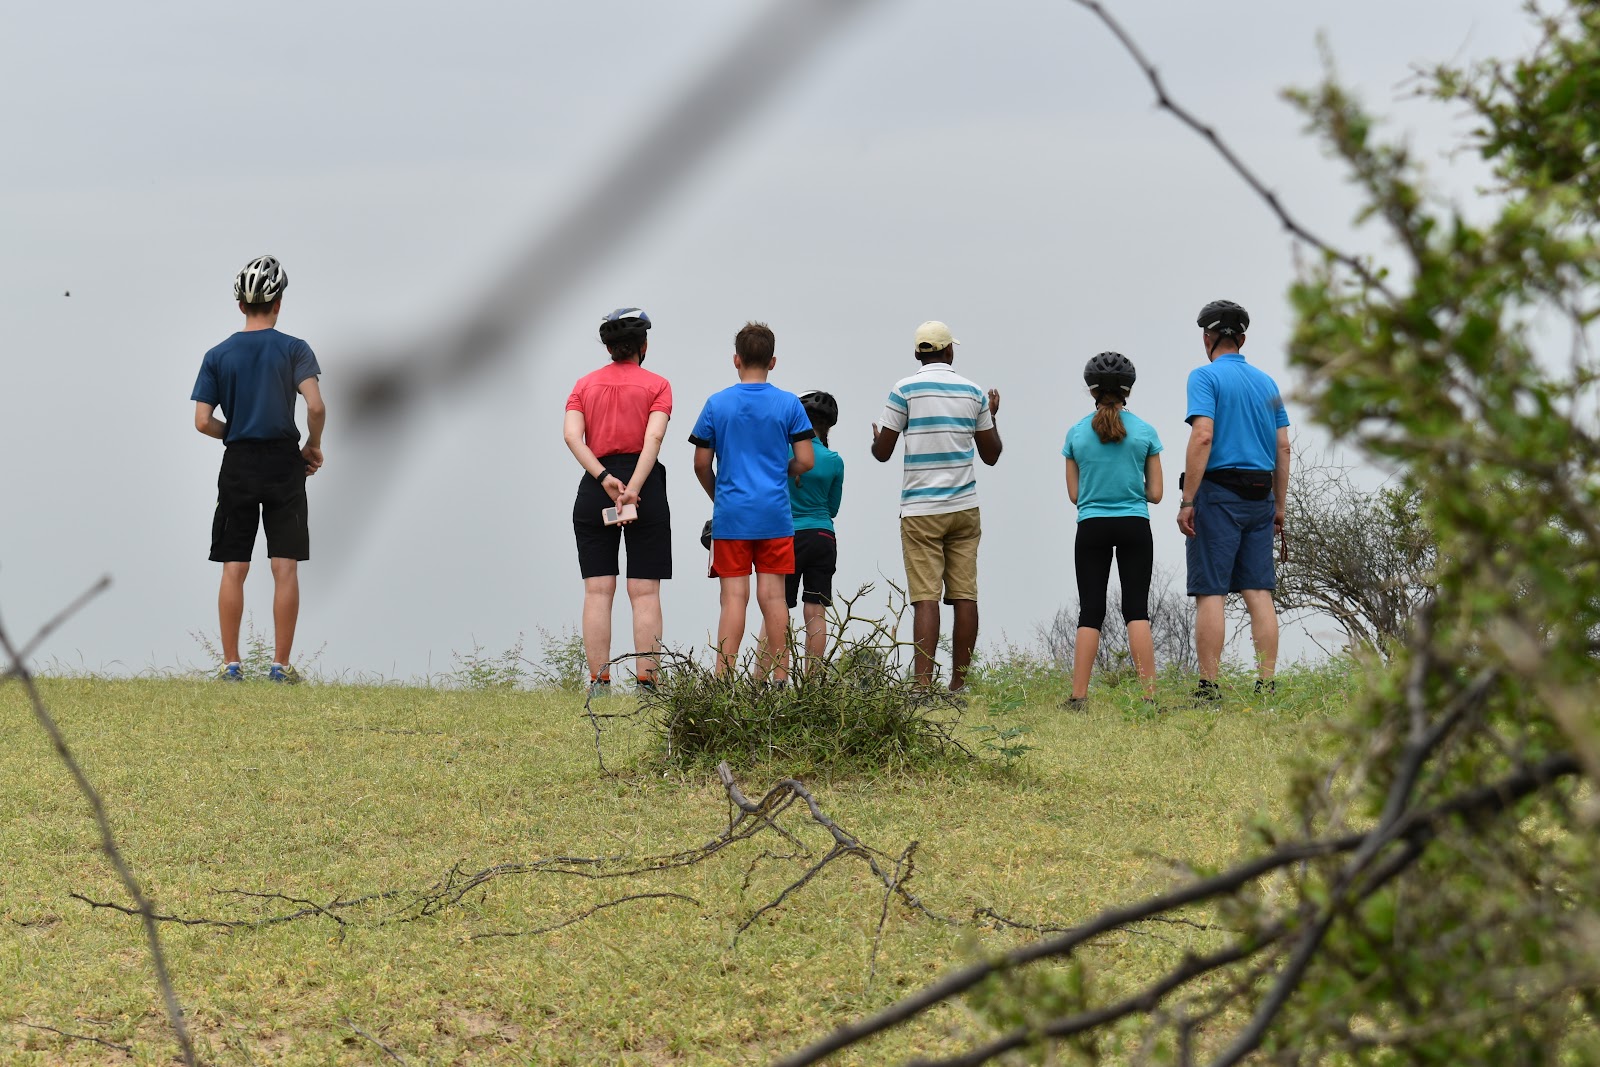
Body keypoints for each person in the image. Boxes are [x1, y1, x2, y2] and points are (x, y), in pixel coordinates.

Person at [191, 255, 325, 684]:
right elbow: (316, 405)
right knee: (284, 566)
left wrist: (234, 432)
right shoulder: (295, 349)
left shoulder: (218, 355)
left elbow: (202, 421)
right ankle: (280, 667)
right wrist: (312, 445)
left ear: (240, 305)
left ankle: (231, 666)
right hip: (284, 462)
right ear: (278, 303)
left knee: (234, 565)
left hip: (239, 463)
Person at [872, 321, 1002, 691]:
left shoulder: (904, 390)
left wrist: (876, 438)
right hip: (964, 507)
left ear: (917, 353)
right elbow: (991, 455)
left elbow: (883, 453)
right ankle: (959, 686)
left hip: (920, 511)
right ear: (949, 351)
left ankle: (922, 686)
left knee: (925, 597)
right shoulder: (973, 392)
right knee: (965, 595)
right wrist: (992, 416)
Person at [689, 322, 815, 682]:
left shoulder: (717, 404)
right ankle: (780, 680)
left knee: (733, 598)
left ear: (736, 360)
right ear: (773, 362)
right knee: (774, 598)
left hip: (732, 516)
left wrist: (720, 497)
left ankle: (723, 681)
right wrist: (781, 470)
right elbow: (806, 460)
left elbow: (700, 464)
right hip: (775, 514)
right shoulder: (789, 404)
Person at [1179, 299, 1291, 703]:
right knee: (1258, 591)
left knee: (1211, 591)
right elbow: (1283, 447)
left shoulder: (1204, 377)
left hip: (1219, 495)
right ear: (1242, 340)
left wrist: (1188, 500)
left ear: (1207, 338)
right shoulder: (1268, 383)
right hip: (1261, 497)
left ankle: (1209, 688)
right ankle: (1266, 686)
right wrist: (1279, 507)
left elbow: (1203, 436)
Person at [563, 308, 674, 696]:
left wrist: (605, 479)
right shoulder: (658, 385)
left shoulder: (583, 385)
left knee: (597, 591)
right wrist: (633, 489)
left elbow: (572, 437)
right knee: (645, 591)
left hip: (597, 487)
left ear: (609, 348)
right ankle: (647, 685)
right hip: (645, 488)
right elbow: (653, 439)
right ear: (644, 346)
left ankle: (599, 683)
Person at [1062, 352, 1163, 705]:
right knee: (1136, 610)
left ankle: (1078, 698)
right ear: (1127, 391)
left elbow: (1075, 495)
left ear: (1092, 391)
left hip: (1091, 527)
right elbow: (1156, 493)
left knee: (1091, 611)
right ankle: (1148, 697)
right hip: (1135, 525)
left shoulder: (1076, 433)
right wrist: (1130, 489)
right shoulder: (1145, 432)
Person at [786, 391, 844, 673]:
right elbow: (832, 508)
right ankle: (813, 684)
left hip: (787, 537)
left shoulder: (783, 452)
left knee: (777, 608)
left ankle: (769, 681)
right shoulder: (834, 460)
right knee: (816, 611)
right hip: (823, 537)